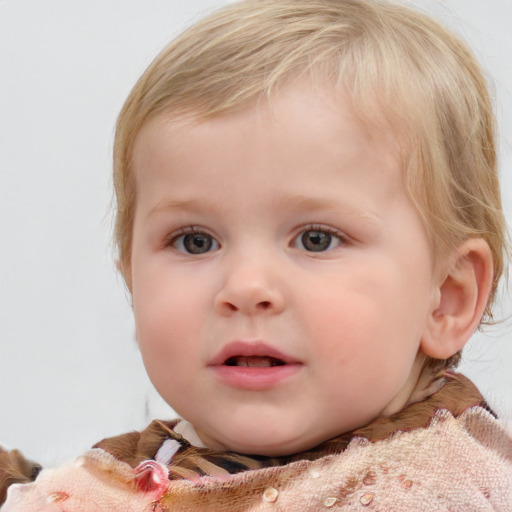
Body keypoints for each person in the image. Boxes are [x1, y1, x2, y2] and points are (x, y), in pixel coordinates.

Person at [1, 0, 511, 509]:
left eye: (316, 239)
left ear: (445, 297)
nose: (245, 287)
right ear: (133, 283)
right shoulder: (135, 469)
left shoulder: (438, 490)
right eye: (195, 241)